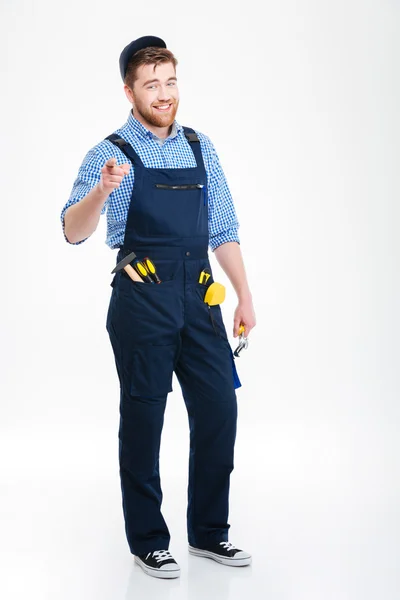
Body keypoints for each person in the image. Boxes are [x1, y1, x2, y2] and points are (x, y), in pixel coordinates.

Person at [60, 35, 256, 579]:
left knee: (220, 409)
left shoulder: (200, 146)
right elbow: (72, 232)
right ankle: (148, 540)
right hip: (142, 301)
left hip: (200, 297)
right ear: (129, 91)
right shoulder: (110, 154)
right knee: (144, 417)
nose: (164, 94)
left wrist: (244, 294)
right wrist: (100, 192)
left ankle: (209, 534)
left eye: (170, 82)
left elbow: (224, 228)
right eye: (152, 85)